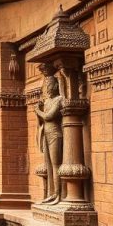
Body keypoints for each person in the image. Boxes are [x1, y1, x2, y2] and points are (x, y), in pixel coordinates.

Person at [36, 75, 64, 204]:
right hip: (46, 135)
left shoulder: (59, 99)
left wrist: (38, 110)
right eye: (46, 86)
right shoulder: (47, 102)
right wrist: (39, 110)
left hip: (55, 134)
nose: (48, 89)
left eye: (50, 85)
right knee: (48, 165)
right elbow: (41, 121)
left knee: (55, 164)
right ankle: (51, 193)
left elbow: (48, 116)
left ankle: (58, 194)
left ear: (56, 86)